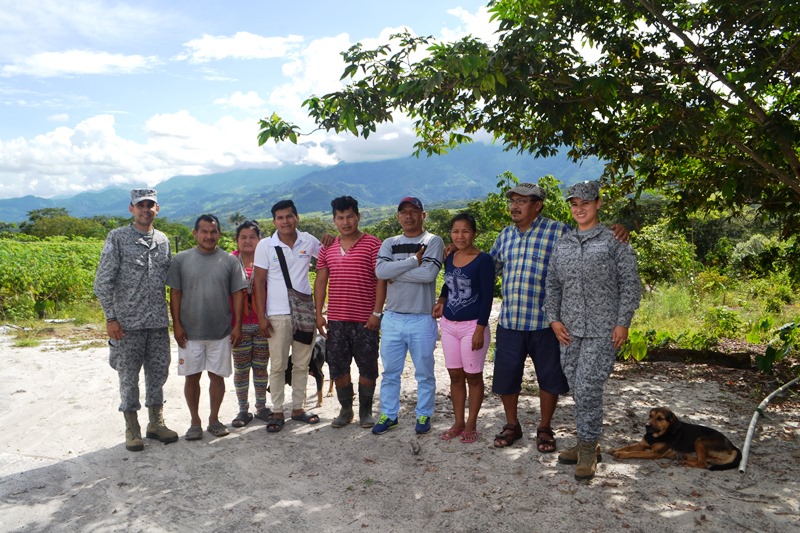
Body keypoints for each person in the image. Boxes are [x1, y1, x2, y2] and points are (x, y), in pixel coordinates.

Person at [490, 182, 628, 454]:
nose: (515, 206)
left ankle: (545, 427)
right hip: (510, 320)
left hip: (546, 324)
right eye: (512, 201)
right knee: (507, 378)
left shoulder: (559, 232)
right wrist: (456, 252)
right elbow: (487, 269)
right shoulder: (504, 236)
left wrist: (618, 229)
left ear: (537, 205)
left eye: (522, 201)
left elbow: (587, 233)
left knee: (549, 378)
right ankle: (511, 425)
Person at [545, 180, 642, 481]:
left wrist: (623, 322)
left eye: (585, 203)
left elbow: (630, 284)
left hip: (603, 330)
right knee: (578, 388)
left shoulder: (615, 240)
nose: (579, 208)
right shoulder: (564, 244)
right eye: (574, 204)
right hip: (569, 330)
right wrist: (554, 319)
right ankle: (587, 440)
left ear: (598, 204)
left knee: (587, 385)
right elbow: (552, 284)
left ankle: (588, 448)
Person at [94, 188, 178, 452]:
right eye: (140, 205)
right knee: (128, 377)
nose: (145, 209)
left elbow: (172, 281)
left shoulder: (163, 240)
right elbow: (102, 282)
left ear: (157, 209)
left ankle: (156, 422)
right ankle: (132, 428)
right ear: (131, 209)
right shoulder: (117, 238)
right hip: (127, 325)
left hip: (156, 323)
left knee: (158, 375)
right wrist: (111, 318)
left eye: (150, 205)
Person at [166, 214, 247, 441]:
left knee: (217, 376)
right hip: (189, 333)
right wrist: (177, 326)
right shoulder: (181, 260)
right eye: (204, 231)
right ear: (195, 233)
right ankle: (195, 422)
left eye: (213, 232)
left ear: (219, 234)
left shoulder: (230, 261)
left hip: (221, 331)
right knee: (191, 377)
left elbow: (238, 294)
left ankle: (214, 419)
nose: (209, 236)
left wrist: (237, 325)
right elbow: (176, 294)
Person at [373, 197, 444, 435]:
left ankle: (424, 414)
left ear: (423, 215)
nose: (409, 216)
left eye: (414, 211)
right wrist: (414, 261)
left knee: (424, 372)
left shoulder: (433, 241)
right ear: (398, 217)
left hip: (421, 318)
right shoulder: (389, 242)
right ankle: (389, 415)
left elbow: (428, 274)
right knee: (390, 373)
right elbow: (380, 272)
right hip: (392, 317)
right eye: (404, 212)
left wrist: (394, 272)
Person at [314, 196, 386, 429]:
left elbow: (381, 281)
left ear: (358, 216)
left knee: (368, 366)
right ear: (334, 220)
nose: (345, 222)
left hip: (366, 320)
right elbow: (321, 281)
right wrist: (318, 313)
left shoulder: (374, 244)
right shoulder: (328, 248)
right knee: (338, 366)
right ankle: (346, 410)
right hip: (336, 320)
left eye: (350, 217)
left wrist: (377, 313)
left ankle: (365, 411)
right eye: (340, 218)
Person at [252, 199, 321, 433]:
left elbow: (329, 259)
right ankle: (278, 410)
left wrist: (331, 241)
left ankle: (299, 409)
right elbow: (259, 282)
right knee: (279, 365)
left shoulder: (309, 241)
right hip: (277, 315)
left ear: (297, 217)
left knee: (302, 364)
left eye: (289, 216)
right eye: (280, 218)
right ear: (274, 221)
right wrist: (261, 317)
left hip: (304, 314)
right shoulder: (265, 245)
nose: (285, 221)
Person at [432, 213, 494, 444]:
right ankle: (458, 421)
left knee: (473, 376)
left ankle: (471, 423)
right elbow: (449, 286)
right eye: (456, 231)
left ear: (474, 233)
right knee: (455, 375)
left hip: (472, 327)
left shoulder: (483, 260)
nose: (460, 235)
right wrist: (440, 300)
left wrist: (480, 328)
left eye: (465, 231)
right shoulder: (450, 257)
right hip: (448, 326)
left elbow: (487, 297)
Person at [229, 220, 271, 428]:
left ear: (259, 240)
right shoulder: (229, 262)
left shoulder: (267, 260)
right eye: (243, 237)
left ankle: (261, 406)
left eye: (252, 237)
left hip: (263, 323)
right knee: (241, 368)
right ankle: (243, 409)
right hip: (239, 325)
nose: (248, 241)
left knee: (261, 367)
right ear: (237, 240)